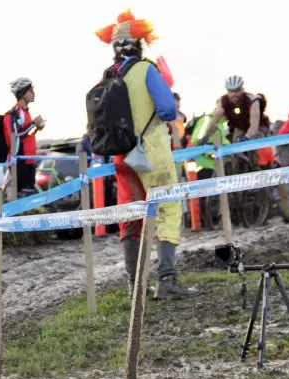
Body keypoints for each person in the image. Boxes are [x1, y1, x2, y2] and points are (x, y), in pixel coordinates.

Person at [94, 9, 199, 299]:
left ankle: (135, 285)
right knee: (168, 208)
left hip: (121, 156)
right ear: (139, 43)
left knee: (131, 214)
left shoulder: (107, 75)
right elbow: (166, 109)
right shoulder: (146, 69)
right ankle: (167, 280)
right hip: (151, 151)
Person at [3, 77, 45, 195]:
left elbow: (26, 136)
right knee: (21, 200)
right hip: (19, 163)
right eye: (30, 90)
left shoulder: (25, 112)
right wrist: (33, 124)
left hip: (29, 161)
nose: (33, 93)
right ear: (22, 93)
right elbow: (15, 137)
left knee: (29, 200)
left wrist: (37, 128)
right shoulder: (13, 114)